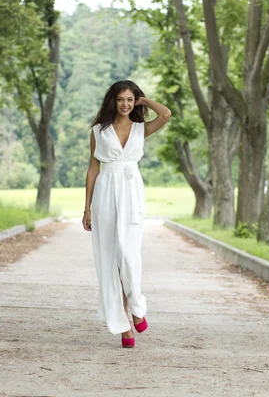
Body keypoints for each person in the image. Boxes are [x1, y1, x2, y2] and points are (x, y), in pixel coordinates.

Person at [82, 80, 171, 348]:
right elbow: (93, 170)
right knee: (110, 260)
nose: (125, 104)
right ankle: (125, 327)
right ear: (113, 101)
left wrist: (144, 101)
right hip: (105, 192)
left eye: (130, 100)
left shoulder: (140, 129)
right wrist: (87, 208)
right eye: (121, 99)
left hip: (131, 192)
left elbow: (165, 114)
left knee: (128, 256)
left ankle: (136, 306)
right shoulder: (99, 131)